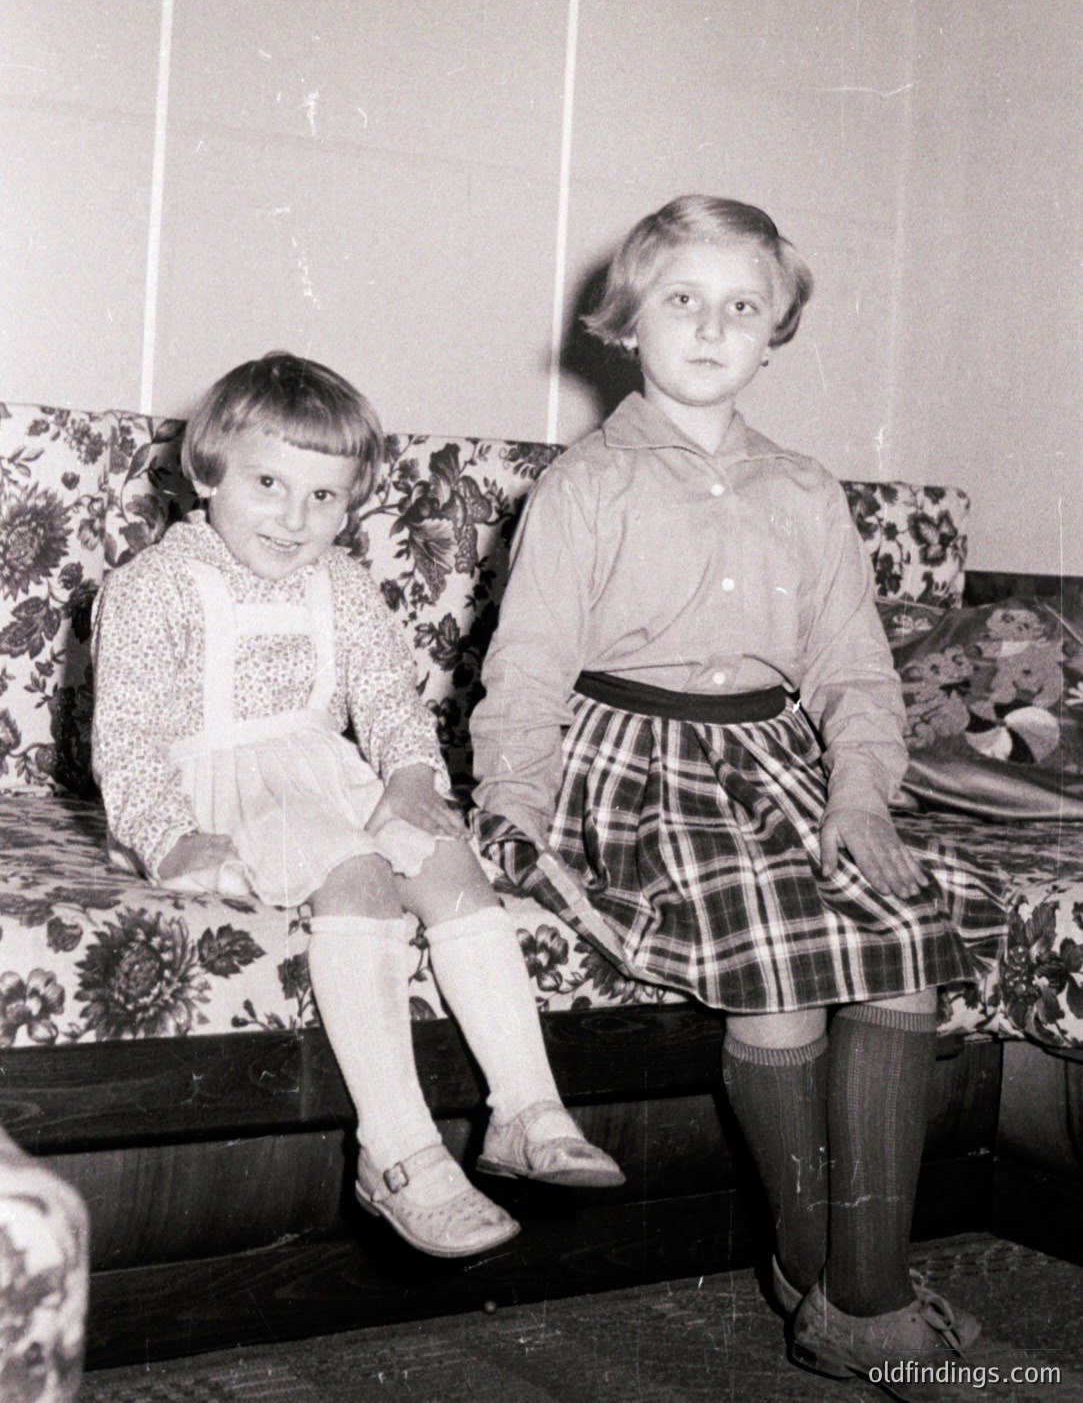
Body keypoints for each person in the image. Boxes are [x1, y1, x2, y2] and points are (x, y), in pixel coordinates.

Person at [470, 198, 1006, 1385]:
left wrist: (859, 796)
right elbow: (528, 666)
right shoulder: (583, 487)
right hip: (637, 766)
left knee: (907, 944)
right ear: (624, 324)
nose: (713, 328)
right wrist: (510, 805)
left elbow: (856, 669)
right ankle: (846, 1288)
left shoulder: (808, 492)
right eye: (682, 301)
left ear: (777, 332)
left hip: (776, 763)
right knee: (778, 979)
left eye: (743, 306)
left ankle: (853, 1293)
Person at [92, 352, 623, 1262]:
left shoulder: (338, 583)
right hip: (216, 781)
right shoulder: (153, 586)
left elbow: (387, 701)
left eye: (326, 497)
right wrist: (168, 837)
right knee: (359, 873)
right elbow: (128, 737)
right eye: (268, 483)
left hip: (326, 773)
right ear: (208, 472)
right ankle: (400, 1150)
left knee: (448, 865)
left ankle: (526, 1110)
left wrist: (413, 783)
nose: (296, 519)